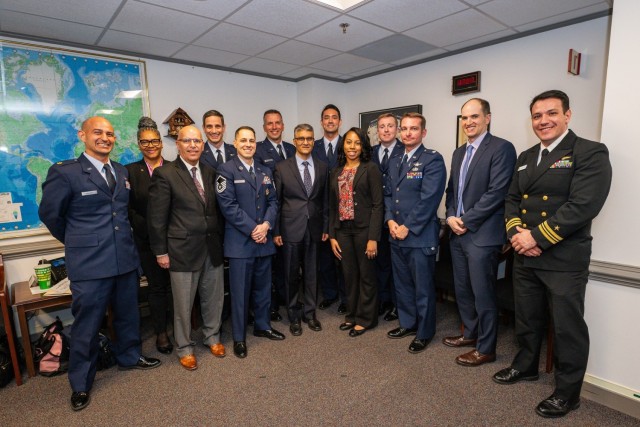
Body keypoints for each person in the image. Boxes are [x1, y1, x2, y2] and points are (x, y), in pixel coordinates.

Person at [493, 90, 612, 418]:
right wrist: (517, 234)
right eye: (537, 115)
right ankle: (526, 365)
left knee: (566, 327)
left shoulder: (589, 152)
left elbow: (584, 205)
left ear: (567, 115)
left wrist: (536, 237)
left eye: (551, 113)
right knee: (527, 317)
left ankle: (567, 392)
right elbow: (511, 198)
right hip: (525, 254)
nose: (543, 121)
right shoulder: (526, 156)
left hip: (563, 257)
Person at [39, 116, 161, 412]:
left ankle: (130, 356)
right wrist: (79, 241)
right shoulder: (65, 173)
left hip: (124, 259)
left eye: (109, 133)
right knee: (87, 325)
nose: (105, 138)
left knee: (128, 316)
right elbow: (51, 215)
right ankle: (81, 382)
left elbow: (122, 214)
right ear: (83, 135)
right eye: (98, 132)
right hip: (90, 264)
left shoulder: (120, 171)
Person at [442, 98, 517, 366]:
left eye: (474, 116)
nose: (469, 122)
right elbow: (452, 191)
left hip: (482, 235)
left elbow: (497, 193)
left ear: (487, 118)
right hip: (457, 232)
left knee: (483, 292)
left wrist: (466, 220)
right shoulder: (458, 152)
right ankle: (470, 334)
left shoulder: (501, 148)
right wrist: (451, 215)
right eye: (464, 118)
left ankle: (486, 348)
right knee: (462, 289)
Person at [147, 125, 226, 371]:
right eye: (187, 141)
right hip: (182, 250)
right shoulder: (166, 173)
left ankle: (212, 337)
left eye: (197, 141)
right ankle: (185, 347)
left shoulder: (211, 172)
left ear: (203, 145)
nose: (193, 145)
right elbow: (156, 217)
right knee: (183, 304)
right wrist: (161, 252)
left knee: (213, 299)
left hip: (211, 247)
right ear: (177, 144)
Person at [216, 126, 285, 359]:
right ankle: (239, 337)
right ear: (234, 143)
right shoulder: (226, 170)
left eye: (251, 140)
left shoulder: (264, 170)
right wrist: (253, 228)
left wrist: (266, 225)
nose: (248, 144)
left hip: (263, 240)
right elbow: (228, 206)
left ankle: (263, 326)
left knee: (264, 288)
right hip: (240, 243)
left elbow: (274, 202)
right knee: (240, 292)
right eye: (243, 140)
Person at [384, 112, 446, 354]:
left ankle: (424, 332)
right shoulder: (395, 159)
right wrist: (390, 221)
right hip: (395, 234)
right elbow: (389, 194)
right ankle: (408, 324)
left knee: (422, 287)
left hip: (419, 236)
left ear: (423, 133)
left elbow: (429, 199)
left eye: (413, 129)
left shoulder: (432, 160)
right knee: (402, 285)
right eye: (405, 129)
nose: (408, 133)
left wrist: (407, 226)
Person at [273, 124, 329, 336]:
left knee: (312, 273)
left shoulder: (323, 167)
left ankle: (310, 313)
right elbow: (276, 201)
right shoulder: (282, 167)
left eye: (309, 138)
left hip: (314, 228)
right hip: (289, 228)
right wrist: (276, 230)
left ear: (313, 141)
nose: (305, 142)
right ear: (294, 141)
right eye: (301, 138)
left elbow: (325, 200)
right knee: (290, 275)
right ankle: (294, 316)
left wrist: (325, 226)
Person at [125, 117, 174, 355]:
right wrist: (151, 231)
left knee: (177, 286)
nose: (151, 145)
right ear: (139, 144)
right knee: (157, 288)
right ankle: (161, 333)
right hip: (146, 241)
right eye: (145, 142)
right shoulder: (130, 172)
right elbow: (129, 209)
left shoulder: (175, 168)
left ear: (161, 143)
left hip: (176, 239)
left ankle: (182, 328)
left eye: (155, 141)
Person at [329, 127, 383, 336]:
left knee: (367, 276)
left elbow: (378, 205)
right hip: (343, 230)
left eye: (357, 143)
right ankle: (352, 315)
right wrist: (332, 235)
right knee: (349, 276)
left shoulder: (370, 169)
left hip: (364, 230)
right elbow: (332, 206)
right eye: (349, 142)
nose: (352, 147)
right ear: (344, 145)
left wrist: (373, 238)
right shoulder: (336, 171)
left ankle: (366, 319)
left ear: (363, 146)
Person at [254, 109, 296, 322]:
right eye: (269, 123)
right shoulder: (258, 150)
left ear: (283, 125)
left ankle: (289, 300)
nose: (274, 127)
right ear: (264, 127)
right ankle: (273, 306)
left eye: (277, 123)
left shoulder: (291, 148)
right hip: (272, 216)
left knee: (288, 264)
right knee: (273, 267)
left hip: (293, 216)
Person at [312, 104, 346, 314]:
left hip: (344, 211)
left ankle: (345, 297)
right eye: (326, 117)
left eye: (334, 117)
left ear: (340, 121)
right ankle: (330, 294)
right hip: (319, 211)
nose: (330, 121)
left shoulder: (350, 144)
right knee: (324, 258)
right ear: (321, 122)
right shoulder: (312, 146)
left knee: (343, 258)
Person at [371, 113, 404, 321]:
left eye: (390, 126)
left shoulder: (405, 150)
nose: (385, 130)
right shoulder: (371, 152)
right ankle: (383, 300)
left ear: (397, 129)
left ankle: (396, 304)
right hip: (376, 216)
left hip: (397, 219)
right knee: (380, 263)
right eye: (382, 127)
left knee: (396, 266)